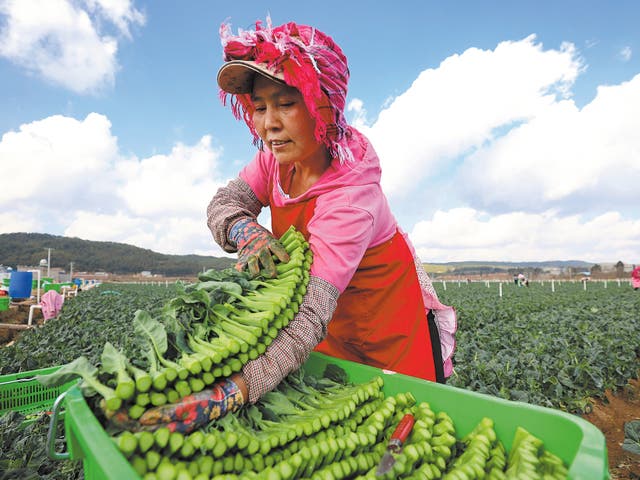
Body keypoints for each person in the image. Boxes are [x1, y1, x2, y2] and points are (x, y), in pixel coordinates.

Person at [109, 18, 456, 434]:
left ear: (322, 105)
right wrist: (245, 231)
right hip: (326, 332)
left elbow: (309, 311)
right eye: (259, 107)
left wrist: (233, 391)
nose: (268, 123)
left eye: (286, 103)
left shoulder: (350, 197)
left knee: (394, 433)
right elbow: (227, 201)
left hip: (384, 336)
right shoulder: (276, 160)